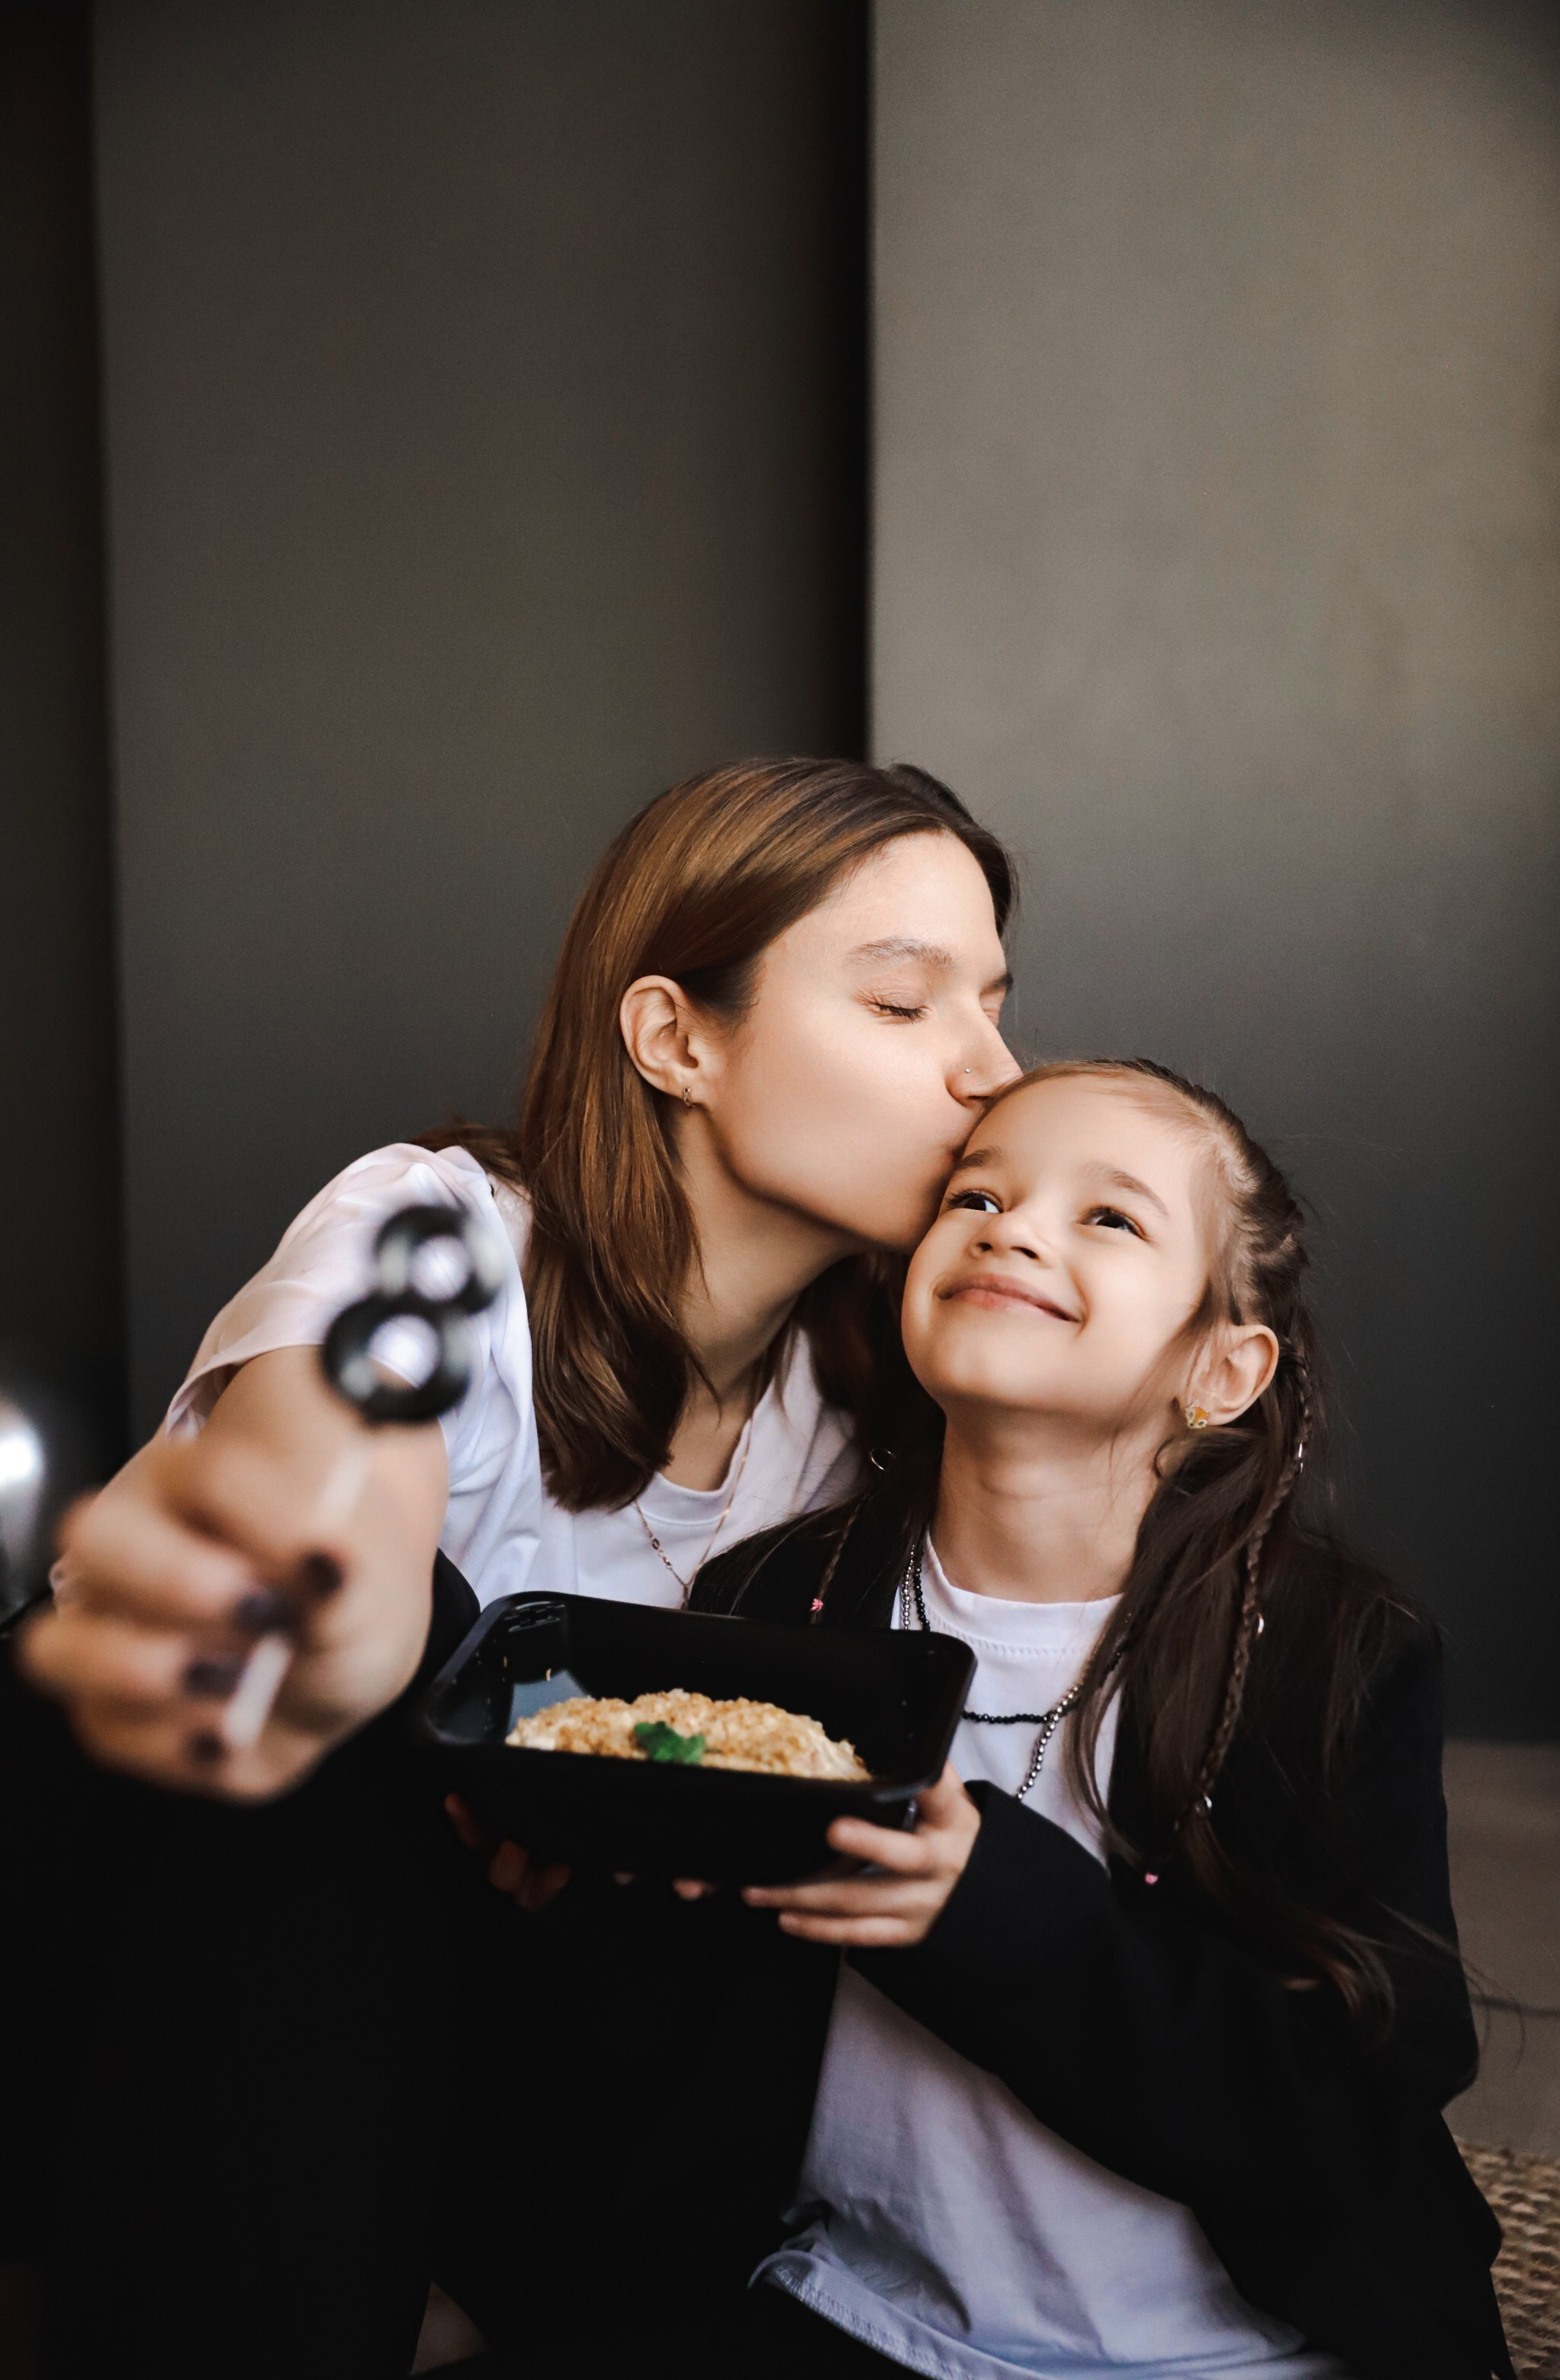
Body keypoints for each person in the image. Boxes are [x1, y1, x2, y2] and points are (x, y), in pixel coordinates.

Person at [5, 758, 1018, 2378]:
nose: (988, 1070)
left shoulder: (853, 1419)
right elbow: (320, 1596)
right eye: (903, 1007)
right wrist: (472, 1728)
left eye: (994, 1002)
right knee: (375, 1706)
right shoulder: (430, 1238)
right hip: (122, 1877)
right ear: (675, 1038)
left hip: (443, 1986)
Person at [676, 1059, 1511, 2380]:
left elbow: (1355, 2100)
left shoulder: (1321, 1653)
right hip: (848, 2306)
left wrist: (990, 1909)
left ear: (1224, 1368)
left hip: (1230, 2354)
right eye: (975, 1195)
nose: (1013, 1228)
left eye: (1107, 1218)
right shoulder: (780, 1599)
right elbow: (694, 2012)